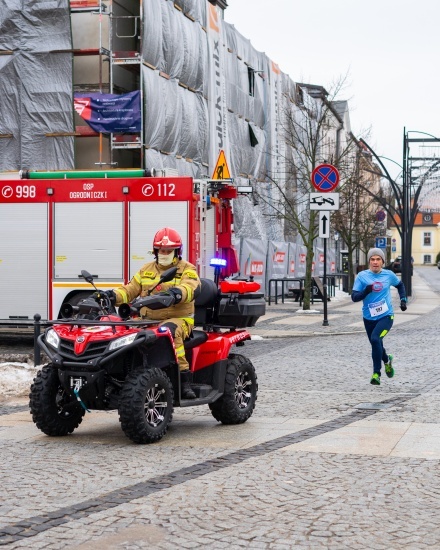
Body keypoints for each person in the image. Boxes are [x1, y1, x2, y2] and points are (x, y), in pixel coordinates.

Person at [105, 227, 201, 399]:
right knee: (119, 334)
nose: (165, 253)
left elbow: (191, 286)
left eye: (169, 250)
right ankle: (119, 376)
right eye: (161, 250)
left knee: (169, 332)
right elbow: (130, 290)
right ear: (155, 251)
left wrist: (177, 293)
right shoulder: (145, 269)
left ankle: (183, 379)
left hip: (178, 319)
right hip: (146, 320)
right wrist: (112, 296)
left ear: (177, 251)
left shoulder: (187, 269)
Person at [351, 247, 407, 385]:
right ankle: (387, 360)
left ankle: (376, 373)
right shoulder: (362, 276)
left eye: (378, 259)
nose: (375, 262)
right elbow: (354, 297)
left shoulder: (389, 275)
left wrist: (403, 300)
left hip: (386, 316)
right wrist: (365, 291)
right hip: (368, 318)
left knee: (375, 339)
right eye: (372, 259)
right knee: (376, 344)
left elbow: (400, 285)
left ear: (382, 261)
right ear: (369, 261)